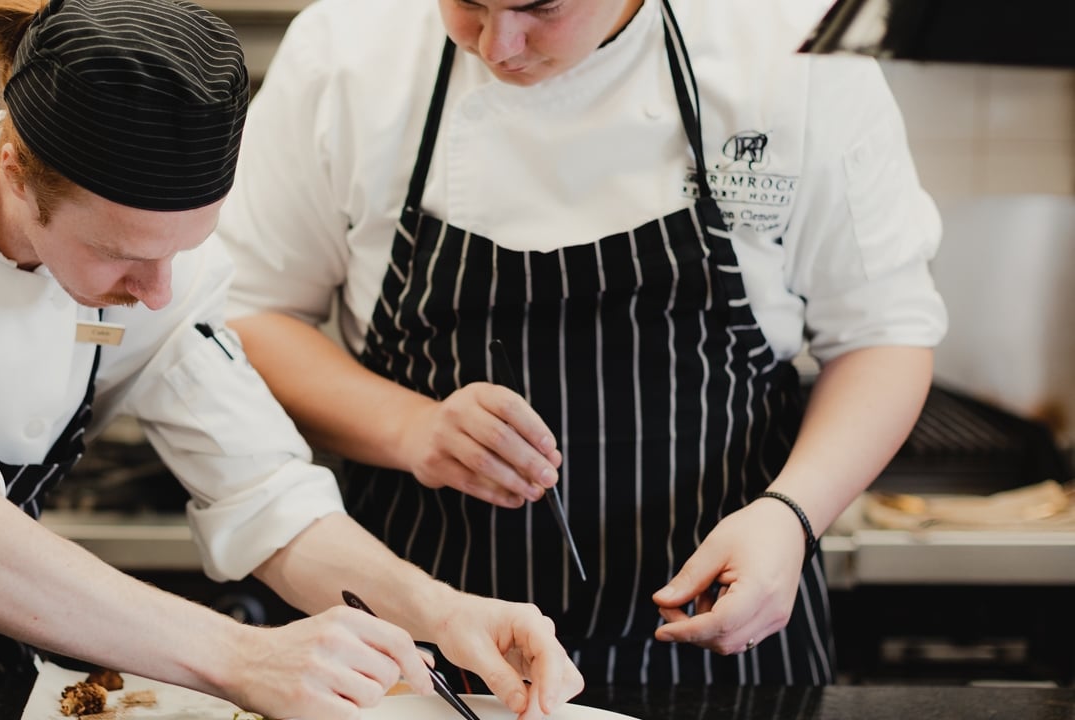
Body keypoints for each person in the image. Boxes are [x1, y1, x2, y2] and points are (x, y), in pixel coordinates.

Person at [0, 0, 584, 717]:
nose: (161, 293)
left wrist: (443, 610)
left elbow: (266, 496)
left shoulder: (164, 269)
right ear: (18, 171)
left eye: (183, 252)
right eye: (124, 257)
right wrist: (244, 658)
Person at [218, 0, 948, 686]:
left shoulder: (789, 45)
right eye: (467, 2)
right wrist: (407, 426)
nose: (495, 45)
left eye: (540, 7)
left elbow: (883, 334)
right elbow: (248, 311)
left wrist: (792, 514)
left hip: (724, 640)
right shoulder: (346, 51)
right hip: (416, 647)